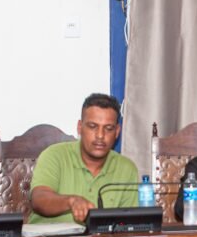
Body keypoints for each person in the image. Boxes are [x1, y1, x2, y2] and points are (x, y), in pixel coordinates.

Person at [29, 93, 139, 224]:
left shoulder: (127, 168)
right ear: (80, 127)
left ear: (117, 132)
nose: (100, 135)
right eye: (93, 127)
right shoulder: (54, 155)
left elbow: (128, 223)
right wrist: (70, 201)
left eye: (108, 129)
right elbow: (39, 199)